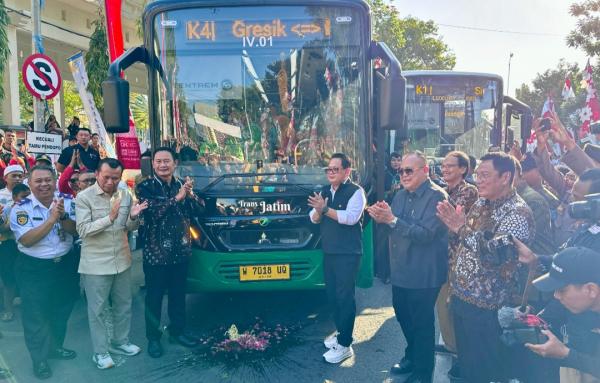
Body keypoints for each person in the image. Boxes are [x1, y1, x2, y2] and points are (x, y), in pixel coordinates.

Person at [436, 152, 534, 383]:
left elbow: (497, 255)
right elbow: (466, 240)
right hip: (463, 300)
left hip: (488, 310)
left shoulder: (517, 213)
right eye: (477, 174)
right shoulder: (482, 201)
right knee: (467, 364)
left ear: (505, 177)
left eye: (485, 175)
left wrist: (461, 228)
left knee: (484, 371)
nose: (478, 179)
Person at [368, 151, 448, 383]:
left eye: (409, 170)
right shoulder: (401, 195)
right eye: (400, 170)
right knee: (404, 317)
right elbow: (395, 224)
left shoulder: (437, 196)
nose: (403, 175)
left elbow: (426, 234)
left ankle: (423, 372)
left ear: (425, 171)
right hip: (401, 270)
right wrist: (382, 215)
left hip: (424, 274)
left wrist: (392, 219)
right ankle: (411, 356)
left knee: (421, 324)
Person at [76, 158, 147, 369]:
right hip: (96, 264)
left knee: (124, 306)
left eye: (115, 178)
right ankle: (100, 352)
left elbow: (128, 227)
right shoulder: (84, 197)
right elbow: (83, 230)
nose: (110, 181)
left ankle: (120, 342)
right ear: (97, 174)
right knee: (97, 311)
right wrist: (109, 217)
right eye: (106, 177)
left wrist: (134, 217)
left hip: (122, 260)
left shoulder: (125, 195)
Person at [9, 165, 78, 380]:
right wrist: (50, 220)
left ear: (55, 180)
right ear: (29, 183)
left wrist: (63, 216)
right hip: (34, 268)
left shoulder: (67, 201)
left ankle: (55, 348)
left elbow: (75, 231)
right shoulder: (21, 208)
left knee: (61, 310)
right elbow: (27, 240)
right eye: (38, 181)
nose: (44, 184)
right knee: (36, 316)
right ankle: (39, 360)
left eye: (48, 179)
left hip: (65, 265)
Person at [136, 147, 205, 358]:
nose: (163, 165)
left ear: (175, 163)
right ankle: (153, 339)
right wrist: (177, 198)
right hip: (155, 254)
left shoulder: (181, 184)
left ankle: (177, 331)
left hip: (180, 250)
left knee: (177, 296)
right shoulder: (145, 187)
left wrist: (190, 195)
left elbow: (200, 209)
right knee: (154, 298)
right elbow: (154, 212)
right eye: (159, 161)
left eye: (167, 161)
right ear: (153, 164)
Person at [308, 153, 366, 364]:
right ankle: (341, 332)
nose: (330, 173)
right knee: (332, 295)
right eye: (328, 170)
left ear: (346, 171)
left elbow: (351, 218)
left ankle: (345, 344)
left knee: (345, 297)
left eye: (335, 169)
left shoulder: (356, 192)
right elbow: (313, 219)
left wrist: (325, 209)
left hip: (348, 254)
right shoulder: (324, 191)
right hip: (330, 253)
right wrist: (318, 211)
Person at [523, 247, 600, 380]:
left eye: (562, 290)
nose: (556, 295)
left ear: (591, 289)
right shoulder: (578, 305)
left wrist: (565, 354)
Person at [435, 151, 478, 380]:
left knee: (454, 308)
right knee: (443, 306)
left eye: (450, 166)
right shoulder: (444, 190)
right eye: (443, 165)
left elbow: (444, 218)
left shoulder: (468, 191)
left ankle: (460, 354)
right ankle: (453, 347)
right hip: (442, 258)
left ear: (463, 169)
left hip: (460, 259)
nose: (445, 169)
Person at [0, 165, 24, 322]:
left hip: (25, 242)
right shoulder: (1, 195)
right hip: (6, 242)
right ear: (5, 178)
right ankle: (8, 309)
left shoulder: (28, 194)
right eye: (14, 175)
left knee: (23, 276)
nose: (17, 178)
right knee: (7, 278)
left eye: (20, 176)